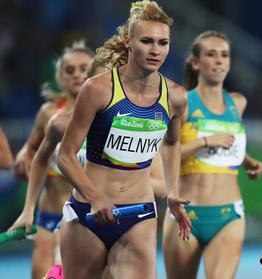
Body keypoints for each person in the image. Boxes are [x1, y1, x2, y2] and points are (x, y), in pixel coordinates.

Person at [56, 1, 191, 278]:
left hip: (138, 215)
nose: (156, 50)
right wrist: (95, 198)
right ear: (129, 41)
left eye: (163, 42)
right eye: (147, 41)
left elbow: (172, 143)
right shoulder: (97, 89)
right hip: (87, 215)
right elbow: (65, 156)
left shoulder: (176, 96)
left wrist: (173, 191)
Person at [162, 31, 262, 279]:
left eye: (224, 55)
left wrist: (247, 160)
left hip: (229, 215)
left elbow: (229, 145)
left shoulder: (237, 103)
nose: (219, 61)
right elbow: (165, 153)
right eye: (211, 54)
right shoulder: (182, 102)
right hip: (186, 213)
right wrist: (204, 141)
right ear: (196, 63)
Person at [8, 41, 93, 279]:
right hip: (49, 213)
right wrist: (25, 152)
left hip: (85, 215)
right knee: (41, 274)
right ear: (60, 78)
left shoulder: (104, 113)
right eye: (70, 70)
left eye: (83, 68)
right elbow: (35, 147)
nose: (77, 74)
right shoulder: (49, 114)